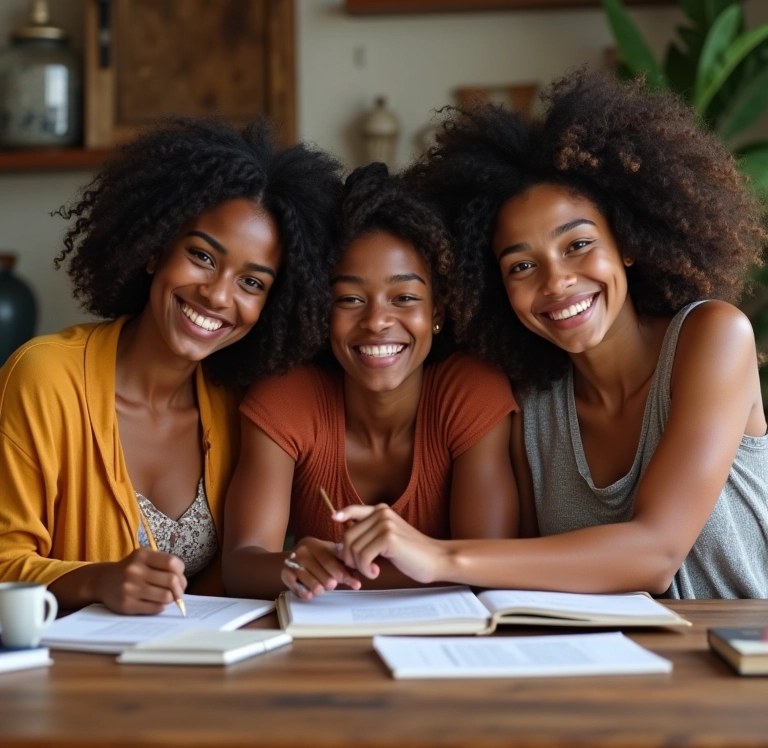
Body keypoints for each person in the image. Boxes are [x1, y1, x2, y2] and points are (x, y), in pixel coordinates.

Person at [331, 70, 768, 599]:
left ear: (627, 242)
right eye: (521, 266)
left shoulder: (713, 337)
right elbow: (521, 574)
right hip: (595, 649)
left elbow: (656, 553)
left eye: (577, 245)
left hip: (733, 646)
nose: (556, 282)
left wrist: (441, 555)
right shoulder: (531, 399)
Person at [0, 116, 342, 614]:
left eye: (252, 283)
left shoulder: (239, 406)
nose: (218, 295)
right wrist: (97, 581)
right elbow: (4, 562)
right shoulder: (44, 377)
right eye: (202, 256)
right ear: (154, 251)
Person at [222, 163, 519, 600]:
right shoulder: (287, 397)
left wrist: (346, 576)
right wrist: (291, 565)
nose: (377, 320)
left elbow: (490, 563)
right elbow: (240, 565)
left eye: (405, 297)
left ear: (437, 311)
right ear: (321, 311)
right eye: (350, 299)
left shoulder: (470, 392)